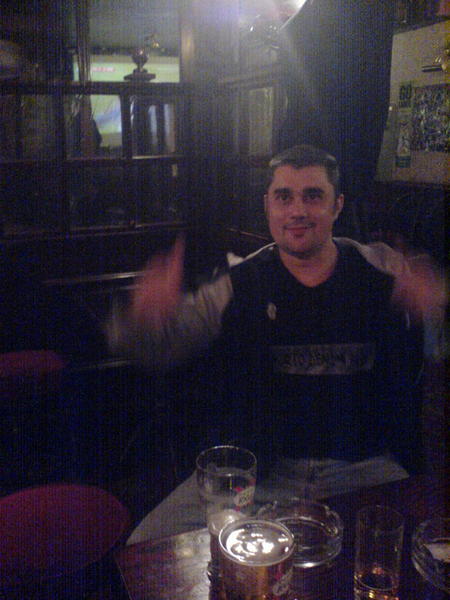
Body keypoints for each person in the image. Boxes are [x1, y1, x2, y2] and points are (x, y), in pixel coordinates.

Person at [108, 145, 446, 542]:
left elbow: (437, 345)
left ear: (337, 206)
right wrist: (142, 319)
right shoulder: (240, 281)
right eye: (284, 197)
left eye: (313, 196)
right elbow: (156, 350)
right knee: (147, 542)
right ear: (267, 205)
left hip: (365, 466)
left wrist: (438, 304)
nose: (297, 211)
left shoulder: (383, 269)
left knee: (426, 549)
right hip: (259, 473)